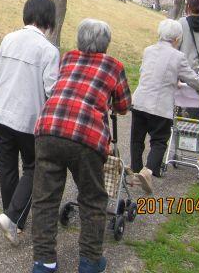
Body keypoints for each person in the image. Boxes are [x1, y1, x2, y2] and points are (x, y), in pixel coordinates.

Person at [31, 19, 132, 273]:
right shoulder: (114, 66)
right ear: (106, 44)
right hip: (85, 137)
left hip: (49, 128)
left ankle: (44, 262)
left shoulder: (67, 58)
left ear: (79, 40)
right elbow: (123, 106)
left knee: (45, 199)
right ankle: (90, 261)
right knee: (93, 199)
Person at [0, 0, 60, 246]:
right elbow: (51, 90)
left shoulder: (8, 39)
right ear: (49, 19)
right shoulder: (48, 50)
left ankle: (12, 220)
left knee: (7, 168)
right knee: (35, 167)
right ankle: (13, 218)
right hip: (27, 118)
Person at [130, 19, 199, 194]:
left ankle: (135, 172)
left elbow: (147, 72)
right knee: (159, 140)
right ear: (177, 38)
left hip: (140, 101)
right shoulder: (178, 56)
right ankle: (148, 171)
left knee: (136, 139)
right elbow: (191, 78)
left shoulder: (148, 50)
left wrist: (172, 80)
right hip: (160, 104)